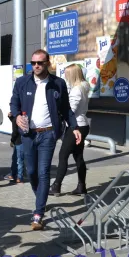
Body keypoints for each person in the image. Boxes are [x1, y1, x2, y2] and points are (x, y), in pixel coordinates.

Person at [10, 49, 81, 231]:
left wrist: (74, 127)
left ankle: (38, 213)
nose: (36, 66)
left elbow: (66, 109)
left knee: (43, 172)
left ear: (47, 63)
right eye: (33, 63)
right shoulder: (22, 82)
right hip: (28, 134)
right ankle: (40, 197)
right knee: (31, 171)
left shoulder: (58, 84)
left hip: (48, 134)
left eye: (40, 63)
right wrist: (17, 116)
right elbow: (14, 103)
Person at [50, 64, 91, 196]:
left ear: (73, 74)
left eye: (67, 74)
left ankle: (56, 186)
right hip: (83, 124)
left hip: (75, 126)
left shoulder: (76, 90)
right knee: (78, 156)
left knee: (63, 155)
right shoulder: (84, 87)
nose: (66, 77)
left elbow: (70, 110)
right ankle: (81, 186)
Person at [5, 111, 25, 184]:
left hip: (18, 141)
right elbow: (15, 123)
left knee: (18, 160)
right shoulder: (21, 116)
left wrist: (12, 141)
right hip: (22, 140)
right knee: (16, 159)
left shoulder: (16, 118)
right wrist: (11, 117)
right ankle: (13, 174)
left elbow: (15, 132)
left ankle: (19, 177)